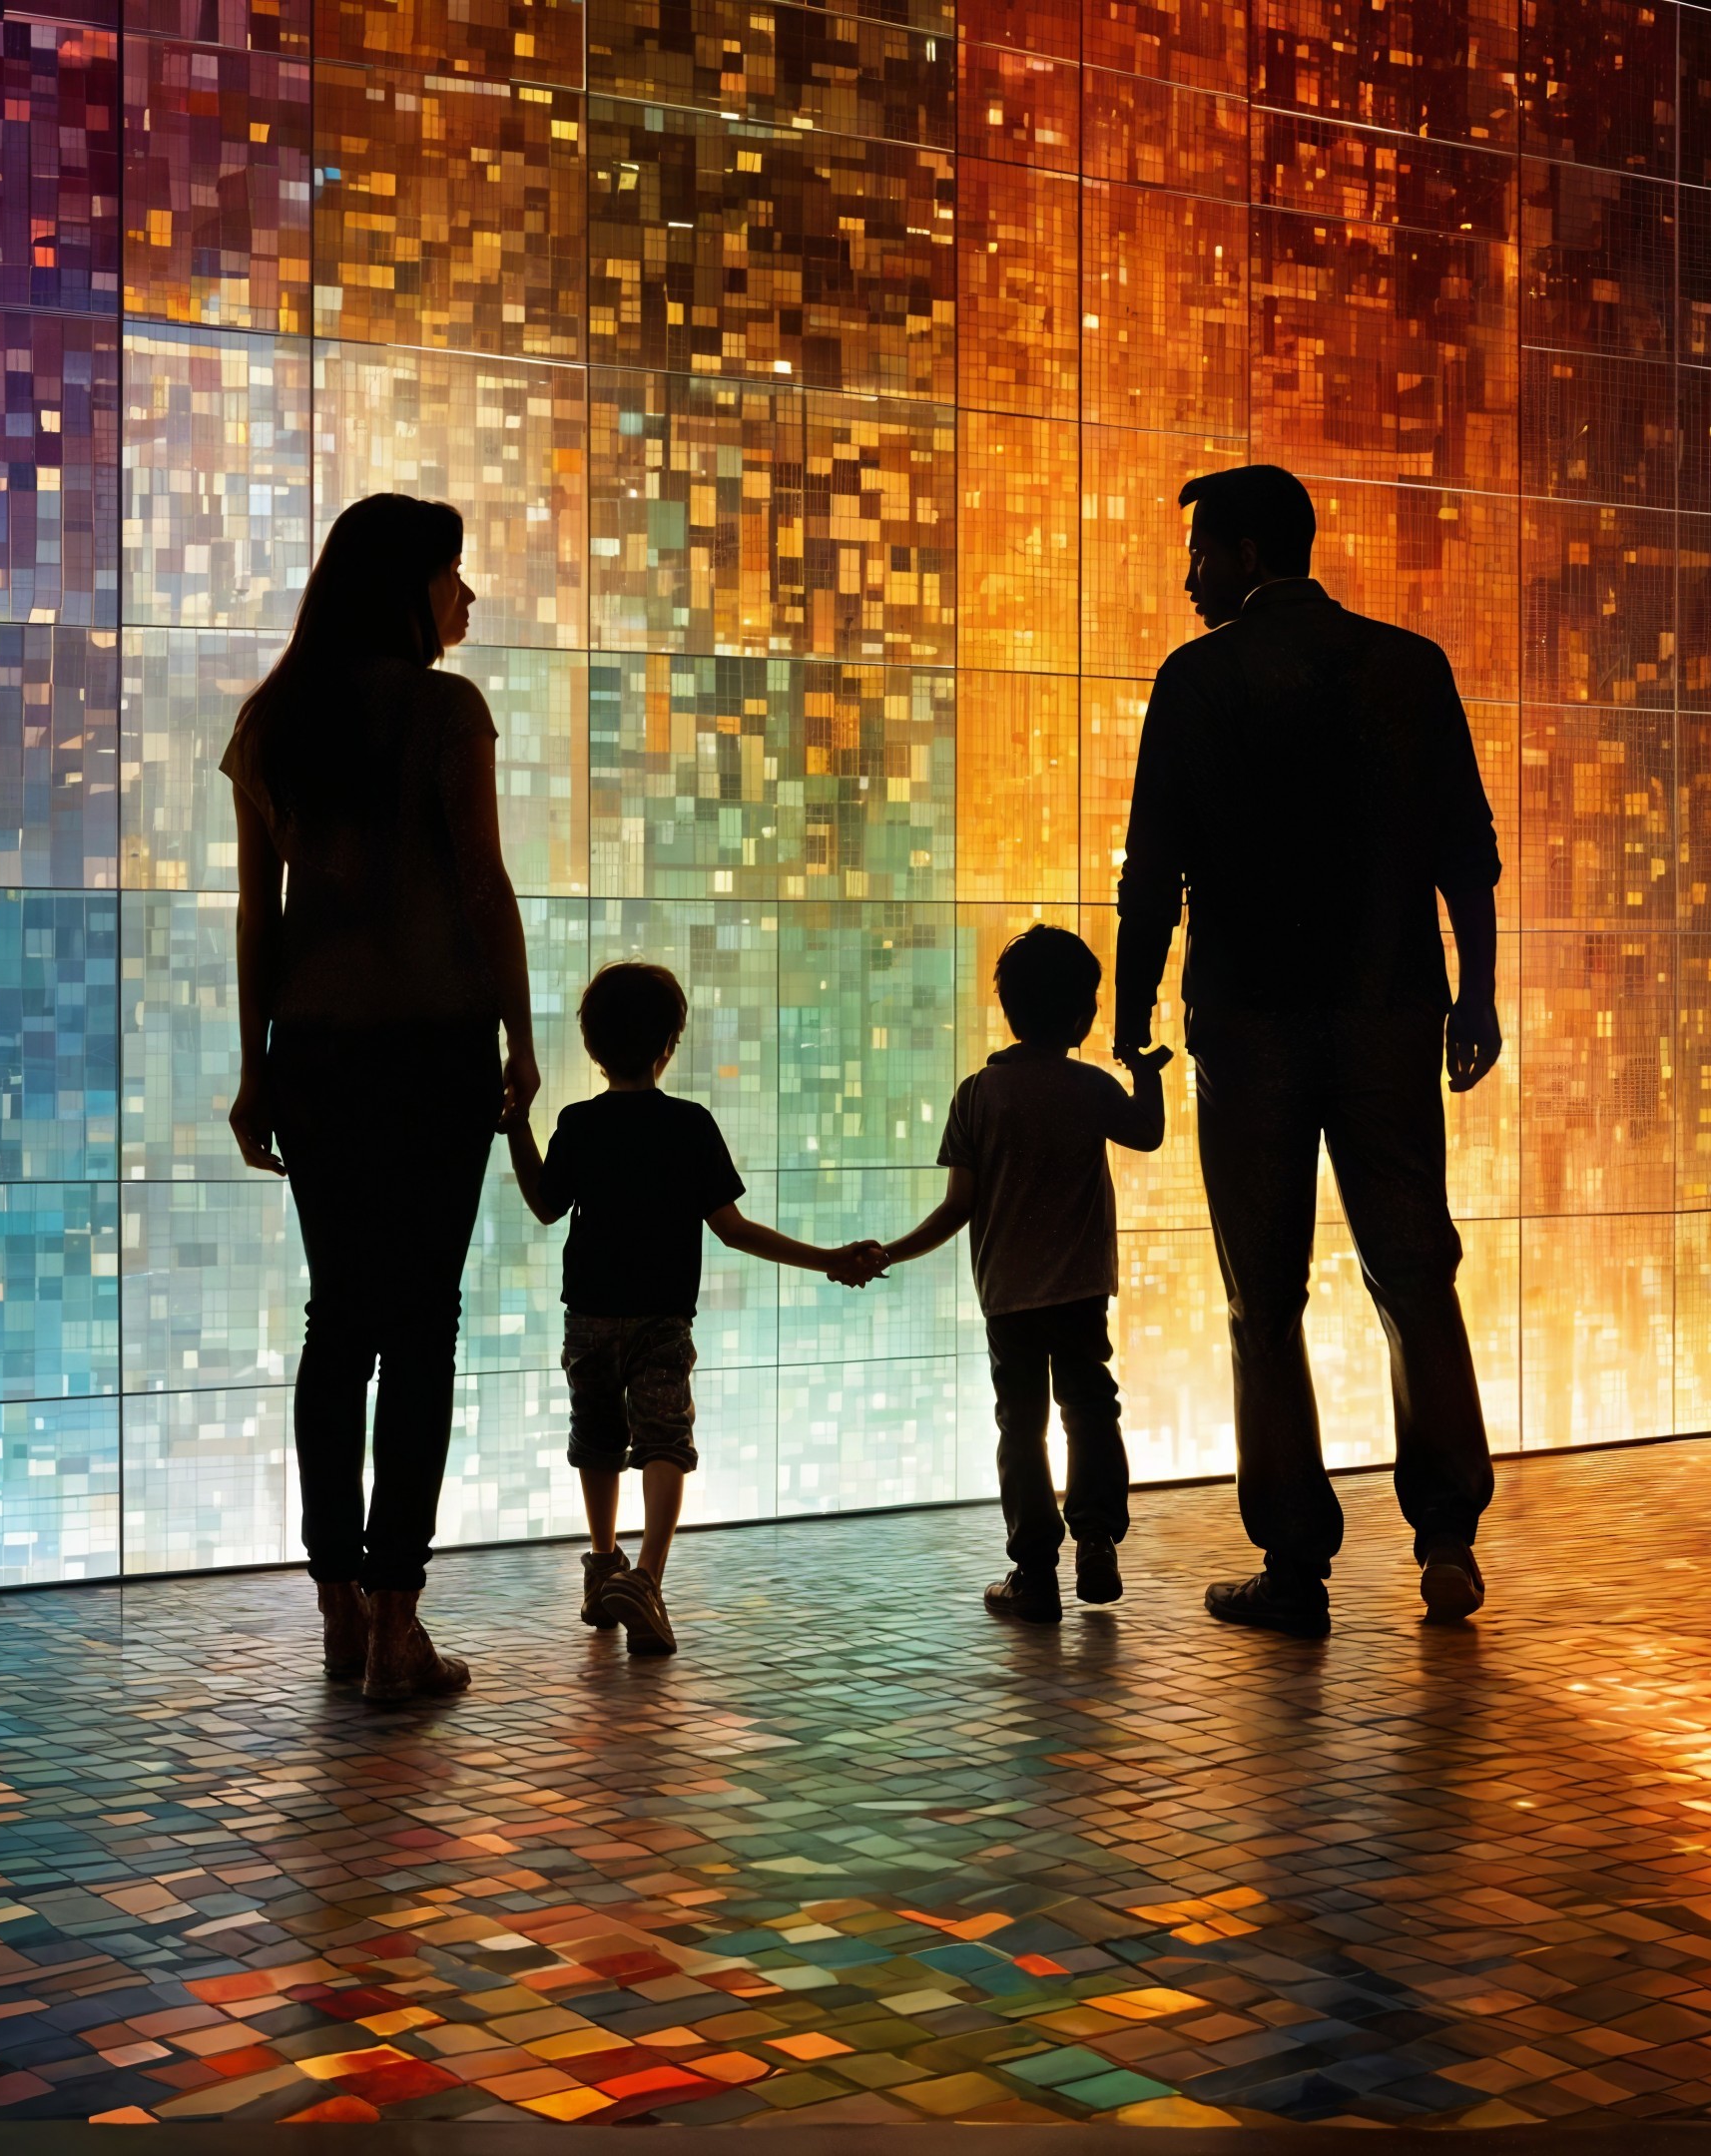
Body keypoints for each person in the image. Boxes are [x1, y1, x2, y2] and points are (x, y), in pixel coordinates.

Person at [1114, 464, 1504, 1640]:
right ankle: (1446, 1537)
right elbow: (1466, 854)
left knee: (1264, 1298)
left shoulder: (1197, 681)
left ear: (1241, 552)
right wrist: (1474, 995)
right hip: (1390, 1010)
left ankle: (1294, 1564)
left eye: (1197, 556)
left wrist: (1130, 1021)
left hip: (1250, 1025)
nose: (1187, 580)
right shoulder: (1408, 667)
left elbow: (1153, 878)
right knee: (1413, 1270)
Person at [223, 493, 537, 1705]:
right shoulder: (446, 709)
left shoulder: (274, 720)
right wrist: (519, 1033)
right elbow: (481, 878)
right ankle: (401, 1620)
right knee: (422, 1331)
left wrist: (256, 1066)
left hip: (318, 1051)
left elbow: (263, 914)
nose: (467, 598)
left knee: (336, 1327)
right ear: (405, 588)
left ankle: (339, 1613)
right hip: (433, 1047)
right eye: (454, 576)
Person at [504, 961, 873, 1657]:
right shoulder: (689, 1125)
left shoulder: (578, 1123)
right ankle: (646, 1577)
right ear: (669, 1042)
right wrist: (826, 1259)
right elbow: (733, 1228)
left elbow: (545, 1205)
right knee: (664, 1441)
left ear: (591, 1045)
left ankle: (602, 1562)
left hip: (587, 1314)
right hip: (661, 1317)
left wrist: (517, 1127)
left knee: (597, 1439)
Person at [852, 926, 1171, 1623]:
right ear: (1084, 1013)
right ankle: (1095, 1539)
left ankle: (1033, 1572)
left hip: (1010, 1296)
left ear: (1009, 1009)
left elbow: (956, 1209)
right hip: (1084, 1288)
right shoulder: (1089, 1087)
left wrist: (890, 1254)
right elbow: (1147, 1132)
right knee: (1090, 1408)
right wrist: (1146, 1072)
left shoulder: (978, 1096)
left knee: (1020, 1424)